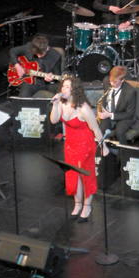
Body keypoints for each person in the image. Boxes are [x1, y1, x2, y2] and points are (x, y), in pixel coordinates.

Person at [49, 76, 108, 221]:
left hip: (85, 143)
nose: (64, 89)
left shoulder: (83, 108)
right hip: (70, 144)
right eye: (63, 86)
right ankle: (78, 204)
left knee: (85, 174)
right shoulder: (61, 103)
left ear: (74, 90)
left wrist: (103, 146)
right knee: (73, 174)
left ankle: (87, 206)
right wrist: (55, 105)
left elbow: (95, 129)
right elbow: (53, 120)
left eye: (68, 87)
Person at [95, 65, 137, 143]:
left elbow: (130, 113)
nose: (112, 84)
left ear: (122, 80)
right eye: (111, 81)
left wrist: (110, 115)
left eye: (116, 82)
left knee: (119, 132)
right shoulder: (106, 81)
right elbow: (105, 99)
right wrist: (101, 111)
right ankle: (103, 149)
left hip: (123, 117)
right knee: (100, 129)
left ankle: (123, 150)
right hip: (107, 114)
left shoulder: (130, 92)